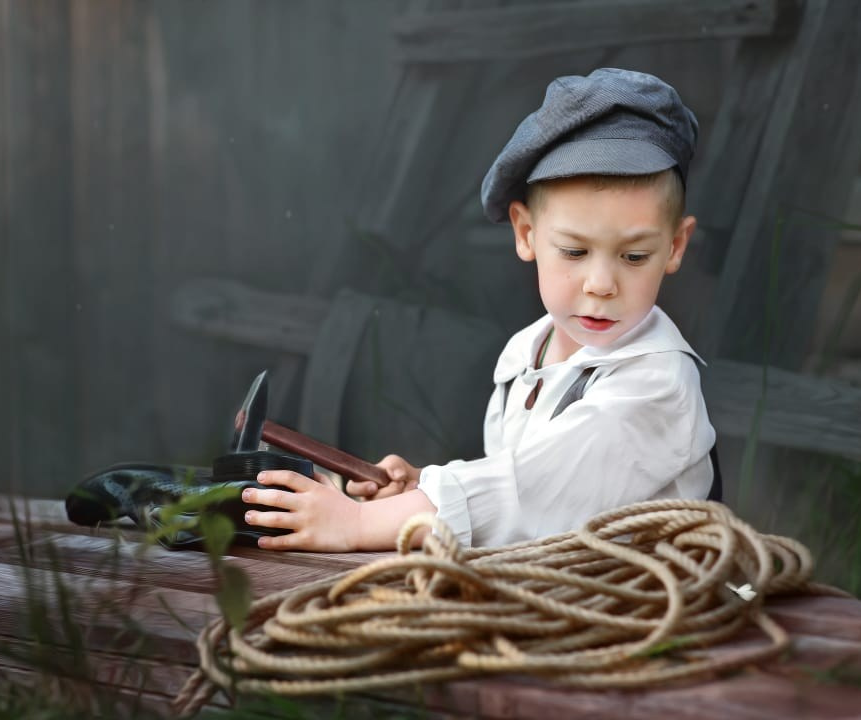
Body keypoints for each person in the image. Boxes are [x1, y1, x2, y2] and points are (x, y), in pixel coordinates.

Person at [242, 68, 717, 551]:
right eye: (575, 251)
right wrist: (424, 487)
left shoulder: (656, 385)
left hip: (632, 593)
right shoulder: (526, 352)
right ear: (526, 234)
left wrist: (362, 523)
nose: (601, 284)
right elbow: (512, 483)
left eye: (634, 256)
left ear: (675, 246)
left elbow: (525, 494)